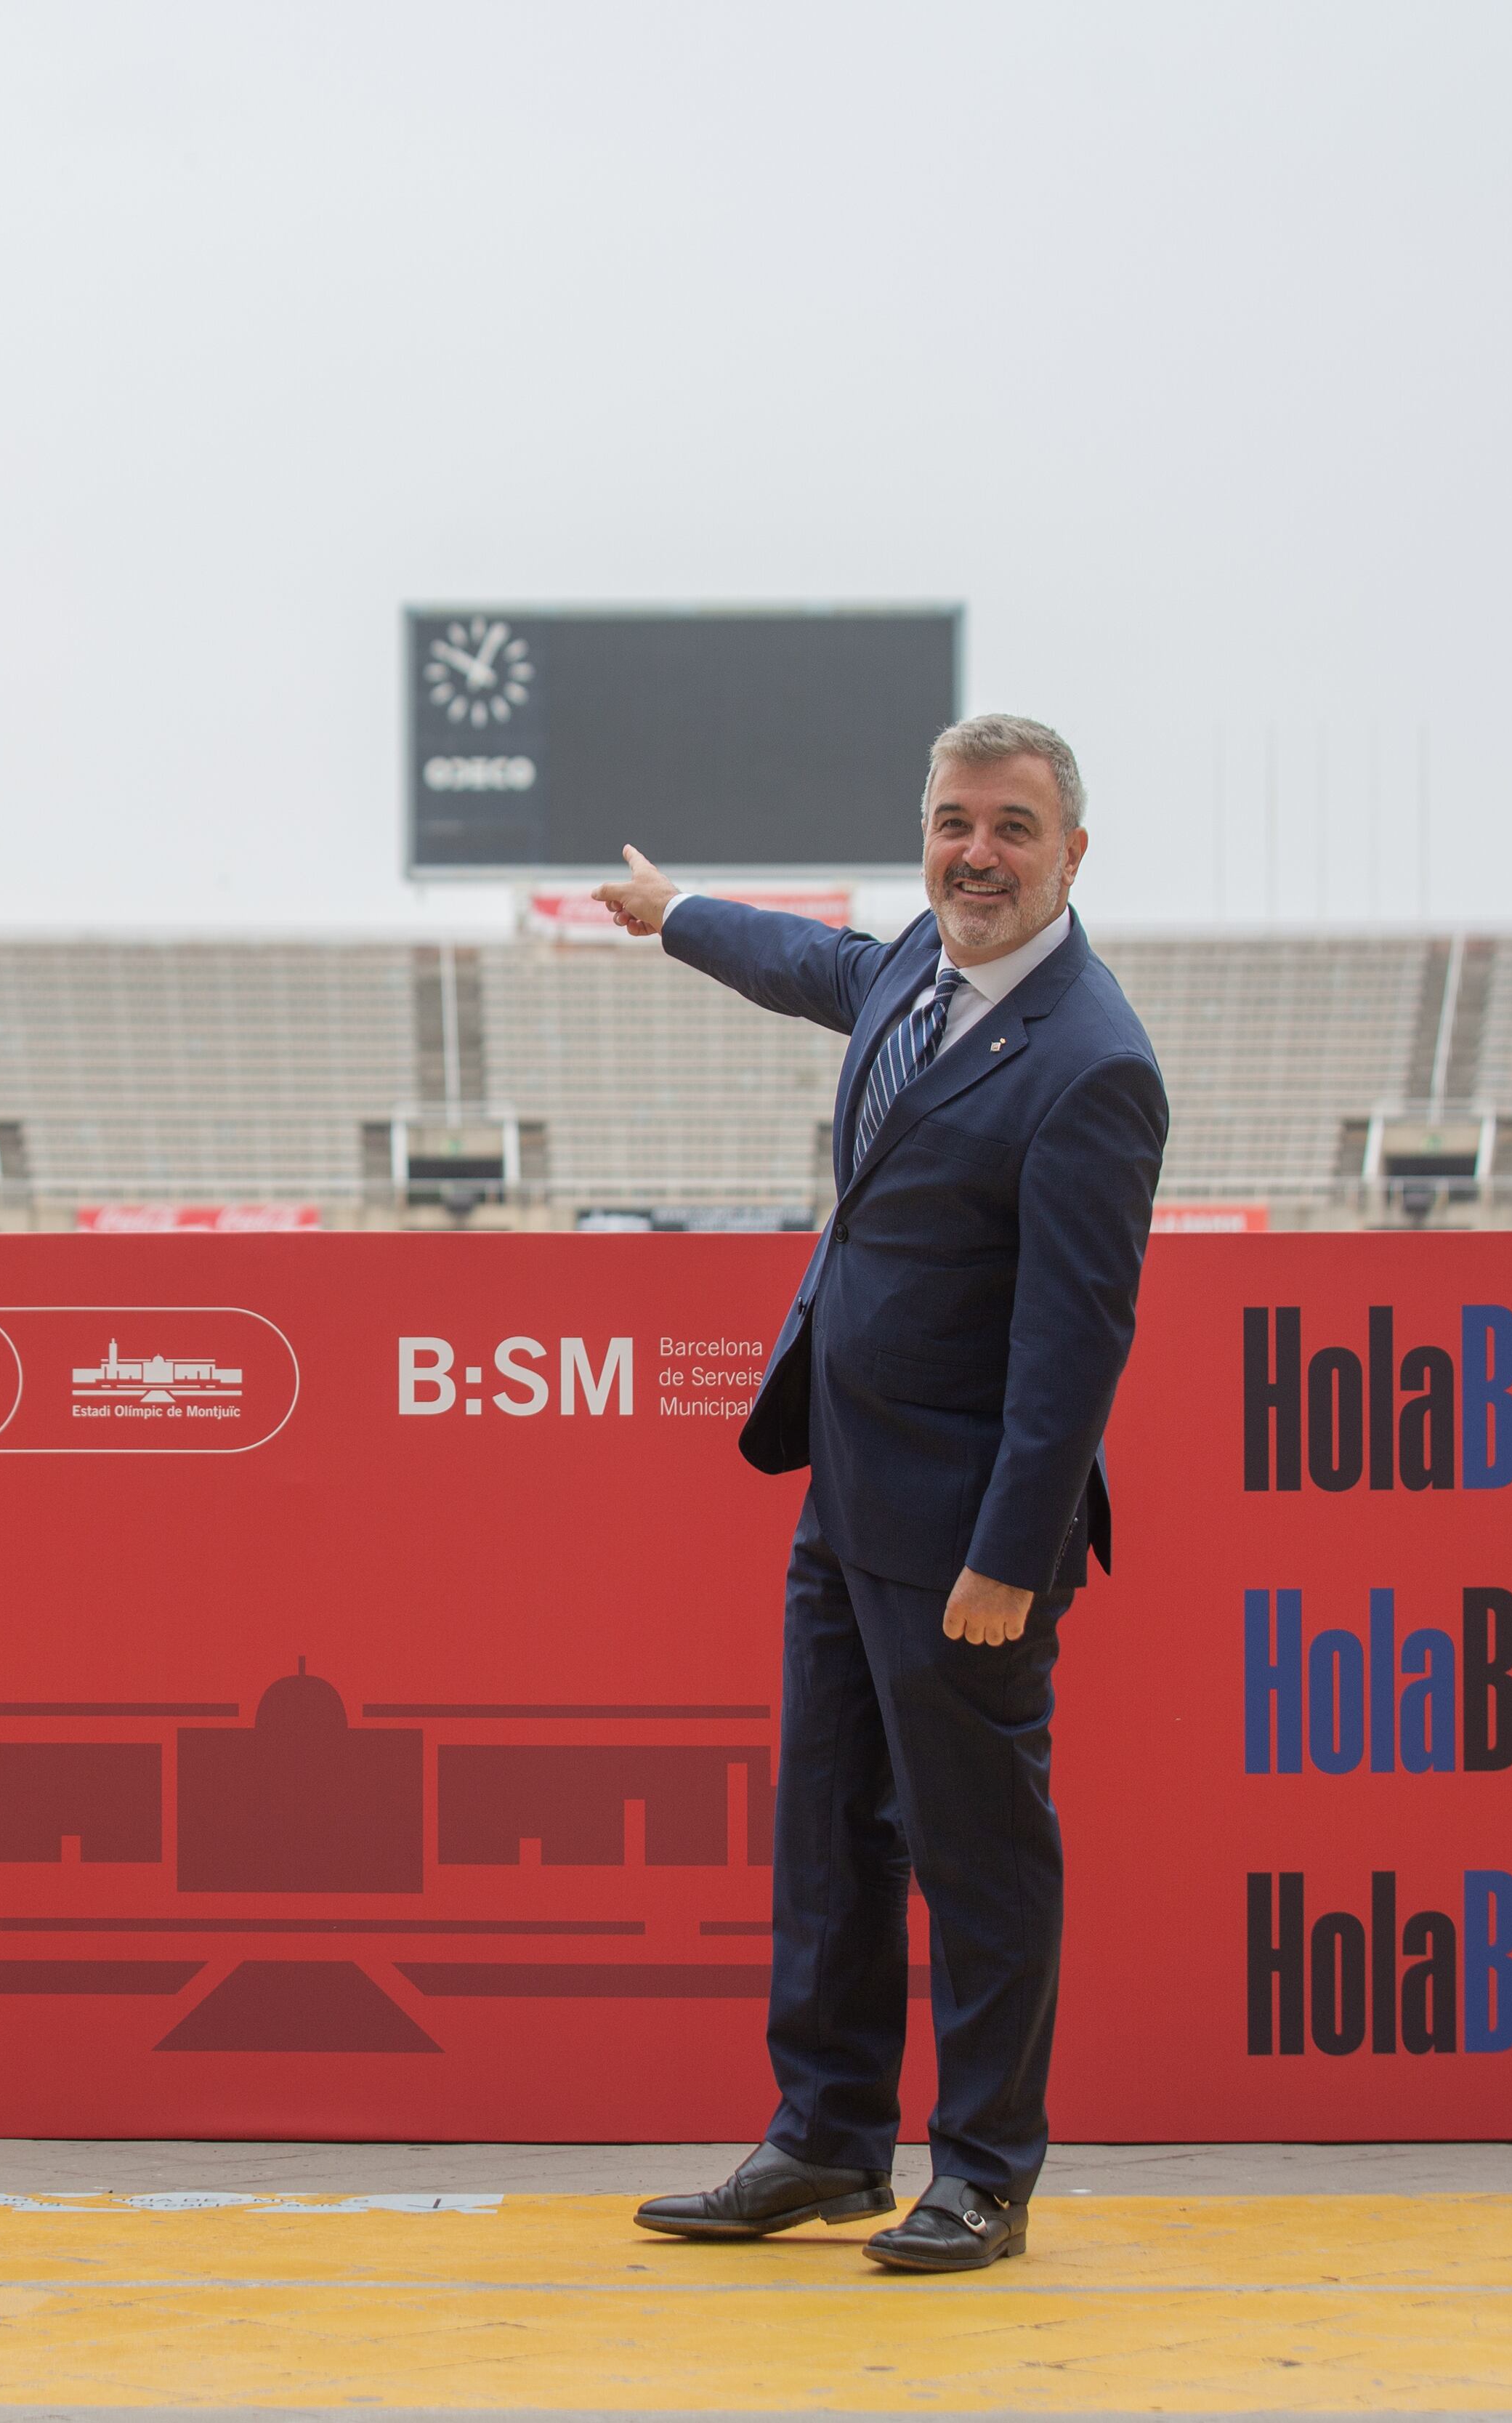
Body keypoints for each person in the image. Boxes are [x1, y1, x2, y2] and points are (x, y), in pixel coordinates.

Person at [595, 714, 1165, 2276]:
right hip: (844, 1497)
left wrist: (1009, 1555)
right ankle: (829, 2137)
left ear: (1071, 853)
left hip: (968, 1539)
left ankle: (983, 2170)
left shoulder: (1092, 1061)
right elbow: (821, 970)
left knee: (979, 1856)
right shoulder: (919, 956)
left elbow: (1072, 1354)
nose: (976, 852)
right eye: (954, 819)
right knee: (833, 1832)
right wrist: (678, 915)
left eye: (1013, 827)